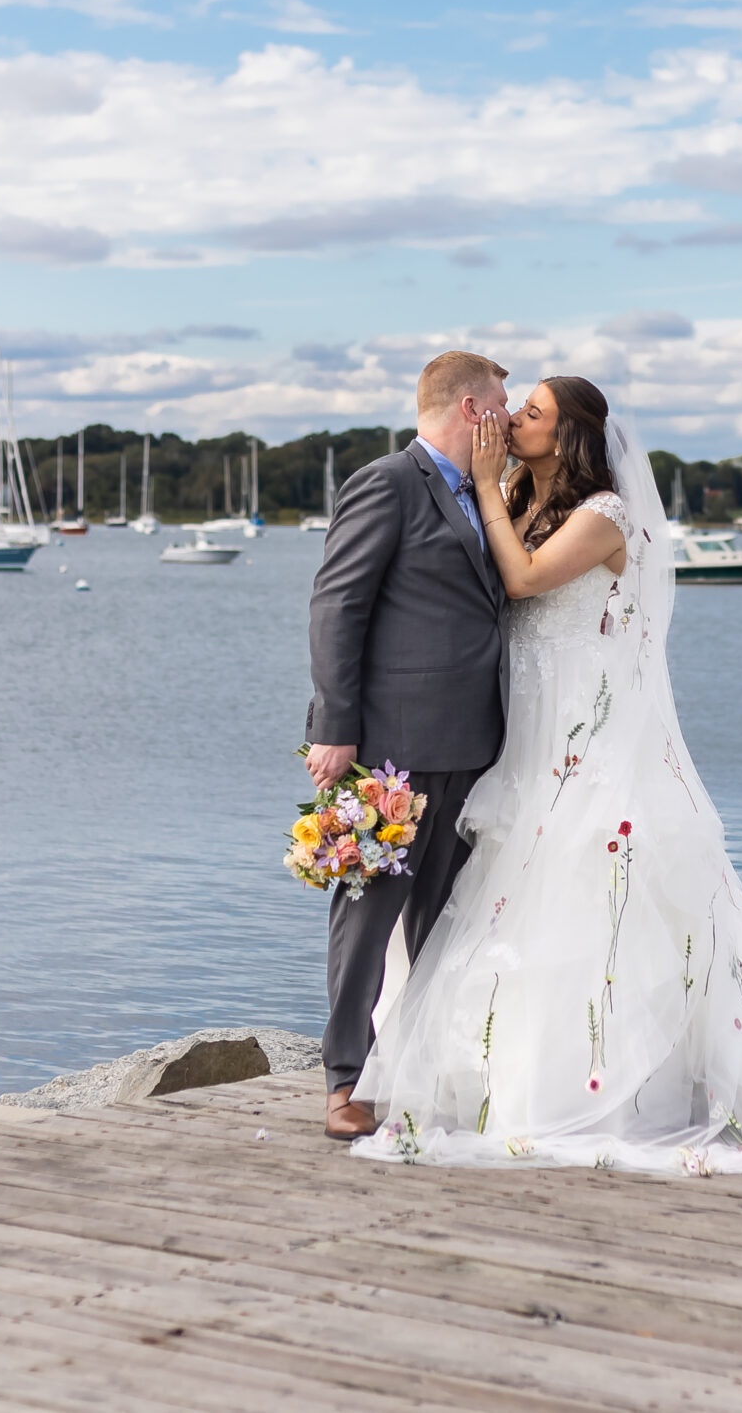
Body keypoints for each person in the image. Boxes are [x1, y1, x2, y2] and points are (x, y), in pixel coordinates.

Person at [350, 375, 742, 1173]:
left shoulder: (604, 515)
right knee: (509, 893)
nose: (513, 420)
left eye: (531, 413)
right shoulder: (518, 500)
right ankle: (502, 1071)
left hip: (582, 733)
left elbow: (520, 579)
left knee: (588, 884)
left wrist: (484, 482)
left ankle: (610, 1082)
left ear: (570, 436)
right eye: (515, 408)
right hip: (522, 730)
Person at [304, 350, 511, 1140]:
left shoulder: (482, 493)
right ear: (469, 409)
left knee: (445, 918)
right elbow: (336, 605)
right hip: (390, 746)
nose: (507, 412)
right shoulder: (389, 481)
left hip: (475, 741)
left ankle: (420, 1069)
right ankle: (344, 1080)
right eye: (500, 401)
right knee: (367, 912)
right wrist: (334, 726)